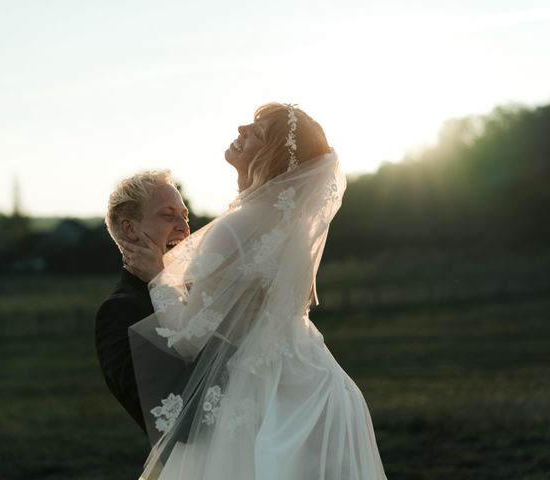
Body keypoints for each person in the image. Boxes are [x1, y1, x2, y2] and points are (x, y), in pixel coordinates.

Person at [125, 103, 387, 479]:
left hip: (255, 399)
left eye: (258, 132)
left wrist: (158, 279)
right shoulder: (294, 231)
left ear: (271, 158)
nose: (241, 126)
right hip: (317, 384)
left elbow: (190, 337)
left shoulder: (234, 229)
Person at [95, 170, 190, 435]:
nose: (184, 227)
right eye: (168, 215)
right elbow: (172, 419)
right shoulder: (119, 312)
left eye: (185, 215)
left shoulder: (195, 290)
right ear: (130, 229)